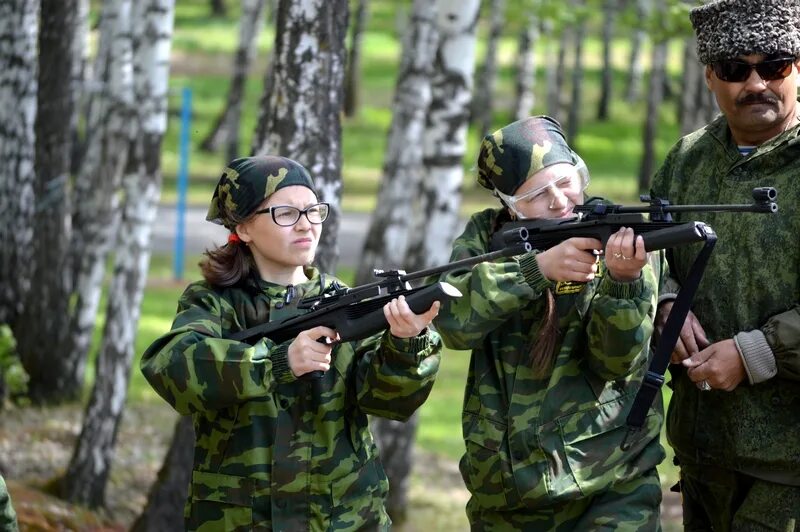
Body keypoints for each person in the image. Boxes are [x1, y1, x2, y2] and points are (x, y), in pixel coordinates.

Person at [140, 155, 442, 531]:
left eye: (313, 211)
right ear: (245, 227)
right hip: (242, 520)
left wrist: (405, 344)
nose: (306, 225)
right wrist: (277, 362)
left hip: (341, 518)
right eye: (286, 213)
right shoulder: (214, 302)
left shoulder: (340, 300)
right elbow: (169, 367)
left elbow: (389, 400)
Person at [433, 116, 666, 530]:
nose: (560, 201)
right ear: (509, 204)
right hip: (505, 490)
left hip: (609, 483)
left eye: (567, 181)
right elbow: (452, 322)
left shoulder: (616, 234)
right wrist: (535, 269)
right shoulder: (484, 237)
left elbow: (617, 362)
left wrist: (624, 282)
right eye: (538, 194)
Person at [651, 0, 800, 528]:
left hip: (790, 466)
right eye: (737, 69)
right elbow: (650, 255)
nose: (757, 83)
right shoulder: (686, 160)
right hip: (703, 449)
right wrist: (665, 303)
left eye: (775, 65)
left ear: (798, 67)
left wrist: (757, 352)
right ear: (711, 76)